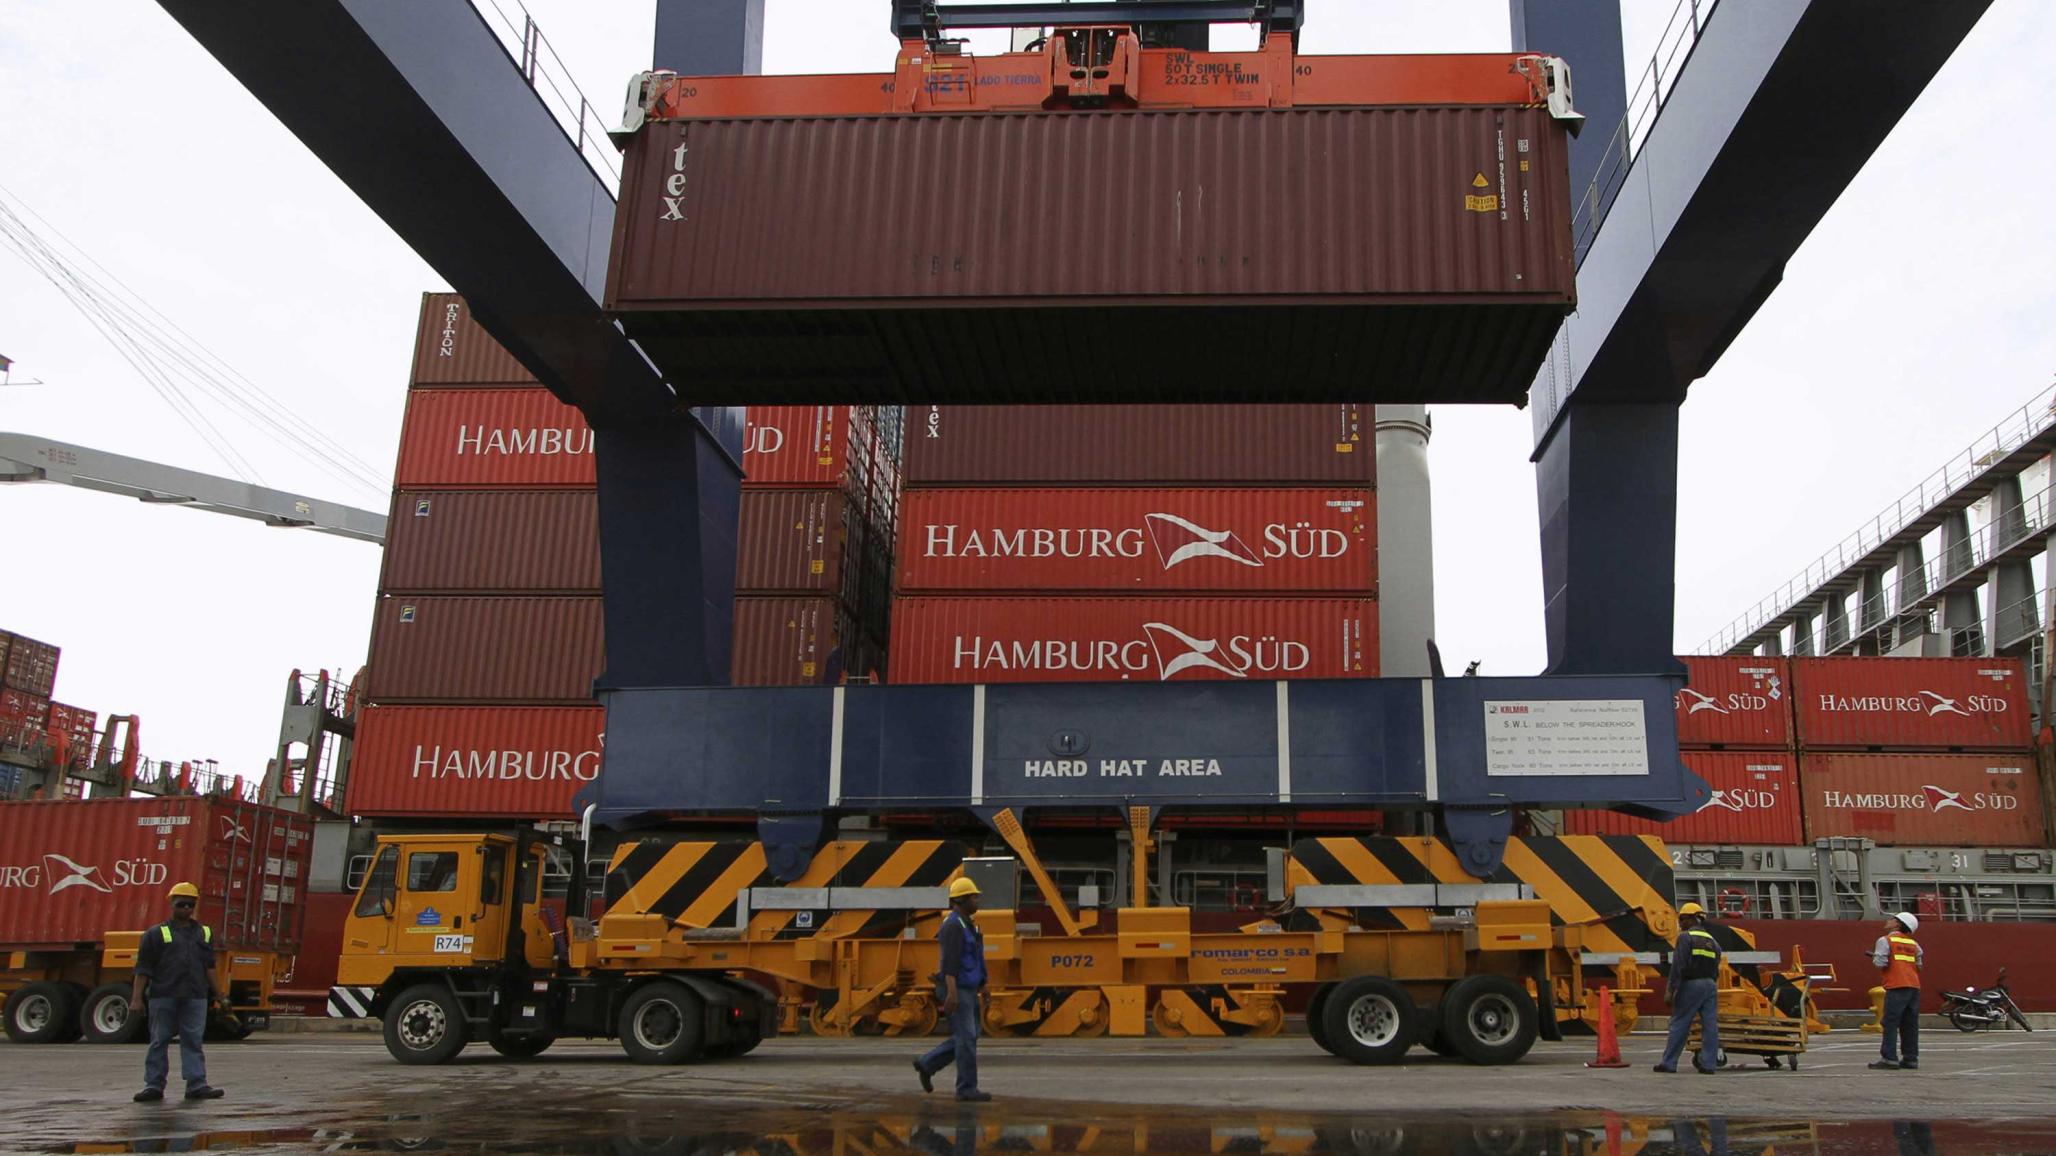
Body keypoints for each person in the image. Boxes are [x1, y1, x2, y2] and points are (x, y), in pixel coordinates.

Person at [132, 882, 225, 1102]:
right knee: (159, 1040)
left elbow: (209, 966)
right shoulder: (155, 934)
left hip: (195, 996)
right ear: (171, 904)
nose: (186, 907)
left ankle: (197, 1085)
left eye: (190, 904)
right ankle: (153, 1086)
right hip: (163, 995)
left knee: (193, 1040)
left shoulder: (204, 933)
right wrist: (136, 999)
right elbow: (143, 968)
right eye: (181, 903)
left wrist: (220, 995)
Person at [913, 876, 991, 1102]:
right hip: (957, 988)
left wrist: (984, 984)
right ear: (962, 900)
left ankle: (927, 1064)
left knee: (969, 1036)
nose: (977, 900)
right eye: (974, 897)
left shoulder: (969, 925)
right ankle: (966, 1088)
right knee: (967, 1038)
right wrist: (952, 992)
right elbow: (950, 962)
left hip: (968, 988)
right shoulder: (952, 926)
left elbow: (976, 957)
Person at [1654, 902, 1723, 1074]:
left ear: (1691, 919)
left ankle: (1669, 1063)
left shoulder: (1686, 938)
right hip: (1710, 985)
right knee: (1710, 1025)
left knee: (1680, 1022)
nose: (1680, 923)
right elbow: (1716, 967)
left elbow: (1679, 966)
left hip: (1692, 984)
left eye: (1682, 919)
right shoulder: (1713, 941)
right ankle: (1709, 1064)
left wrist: (1670, 990)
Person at [1870, 912, 1924, 1070]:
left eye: (1893, 919)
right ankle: (1910, 1058)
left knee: (1890, 1022)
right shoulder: (1914, 944)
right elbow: (1919, 965)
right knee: (1910, 1024)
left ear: (1898, 924)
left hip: (1896, 986)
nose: (1889, 920)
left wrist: (1877, 958)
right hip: (1914, 987)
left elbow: (1880, 963)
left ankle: (1889, 1058)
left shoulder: (1885, 940)